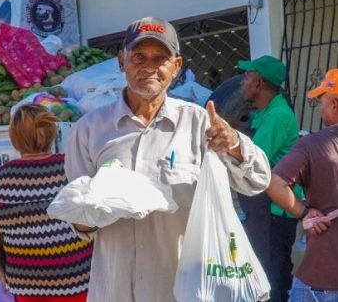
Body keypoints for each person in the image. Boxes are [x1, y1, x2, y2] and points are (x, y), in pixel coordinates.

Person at [64, 16, 271, 302]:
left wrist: (234, 144)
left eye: (160, 58)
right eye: (138, 56)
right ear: (122, 60)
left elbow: (258, 180)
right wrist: (87, 214)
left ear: (176, 67)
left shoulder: (200, 123)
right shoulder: (88, 130)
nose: (149, 66)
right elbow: (79, 223)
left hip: (182, 292)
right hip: (115, 291)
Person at [0, 104, 93, 302]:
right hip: (75, 277)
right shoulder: (69, 166)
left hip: (25, 279)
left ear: (14, 138)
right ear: (52, 134)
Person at [266, 68, 338, 302]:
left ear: (335, 106)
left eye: (322, 102)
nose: (320, 110)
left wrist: (304, 212)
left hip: (323, 280)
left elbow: (275, 183)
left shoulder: (312, 145)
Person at [237, 55, 303, 302]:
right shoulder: (265, 111)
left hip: (274, 211)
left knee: (270, 277)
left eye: (247, 76)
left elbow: (251, 158)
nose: (243, 81)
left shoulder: (277, 116)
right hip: (265, 208)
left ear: (259, 83)